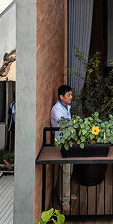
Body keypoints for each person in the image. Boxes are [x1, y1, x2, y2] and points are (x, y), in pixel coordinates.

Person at [51, 84, 76, 212]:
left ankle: (64, 194)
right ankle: (65, 201)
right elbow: (65, 126)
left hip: (68, 142)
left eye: (71, 94)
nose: (71, 97)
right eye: (69, 95)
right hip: (61, 144)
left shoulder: (66, 107)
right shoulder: (57, 110)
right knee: (66, 170)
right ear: (61, 97)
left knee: (68, 170)